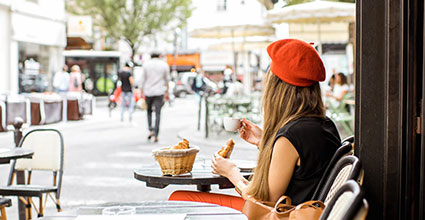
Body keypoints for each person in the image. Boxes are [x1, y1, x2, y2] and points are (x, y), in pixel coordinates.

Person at [169, 39, 341, 211]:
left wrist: (231, 173)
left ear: (278, 90)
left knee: (178, 198)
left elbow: (263, 203)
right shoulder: (325, 125)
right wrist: (264, 141)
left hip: (281, 215)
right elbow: (304, 171)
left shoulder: (291, 137)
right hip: (303, 211)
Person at [140, 52, 170, 143]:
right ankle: (156, 135)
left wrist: (141, 91)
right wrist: (167, 92)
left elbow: (143, 79)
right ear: (159, 56)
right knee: (158, 113)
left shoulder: (146, 65)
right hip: (159, 91)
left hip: (148, 91)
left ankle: (150, 130)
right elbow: (167, 80)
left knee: (148, 111)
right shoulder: (164, 65)